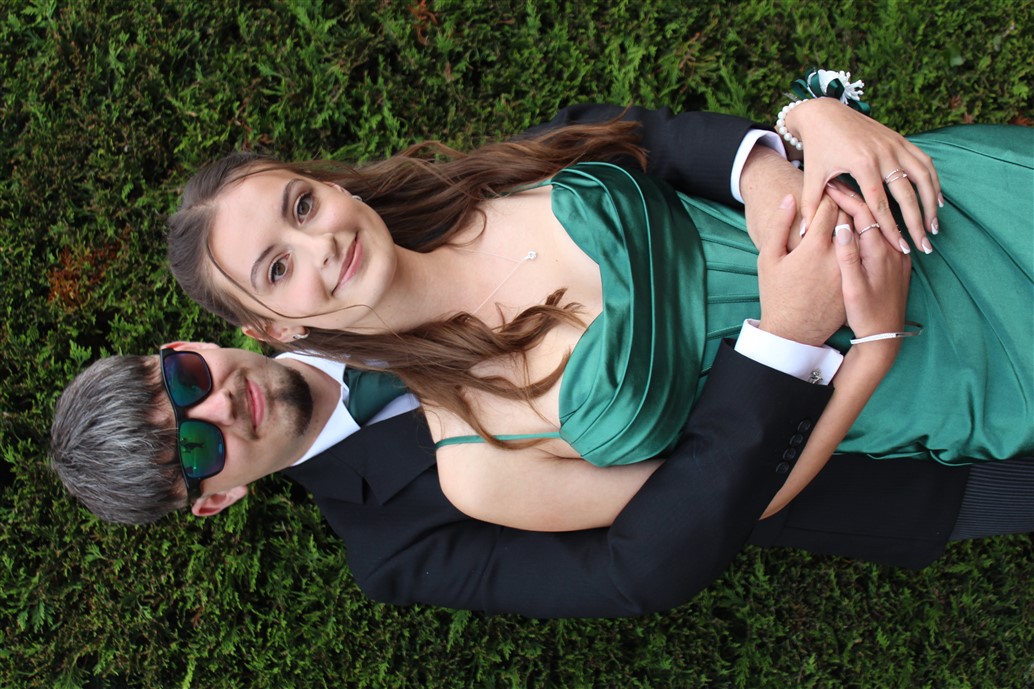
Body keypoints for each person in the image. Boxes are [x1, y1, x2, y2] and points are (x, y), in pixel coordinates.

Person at [165, 99, 1033, 529]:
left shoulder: (499, 174)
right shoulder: (477, 468)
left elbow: (672, 148)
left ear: (330, 184)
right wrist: (868, 348)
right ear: (274, 328)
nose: (319, 244)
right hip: (931, 377)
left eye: (302, 204)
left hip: (946, 212)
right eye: (278, 268)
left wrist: (808, 127)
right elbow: (723, 506)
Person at [49, 341, 1033, 618]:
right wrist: (779, 365)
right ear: (216, 499)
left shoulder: (325, 262)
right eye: (195, 451)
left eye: (183, 382)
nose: (220, 405)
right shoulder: (395, 551)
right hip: (869, 471)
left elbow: (576, 155)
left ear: (182, 345)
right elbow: (631, 571)